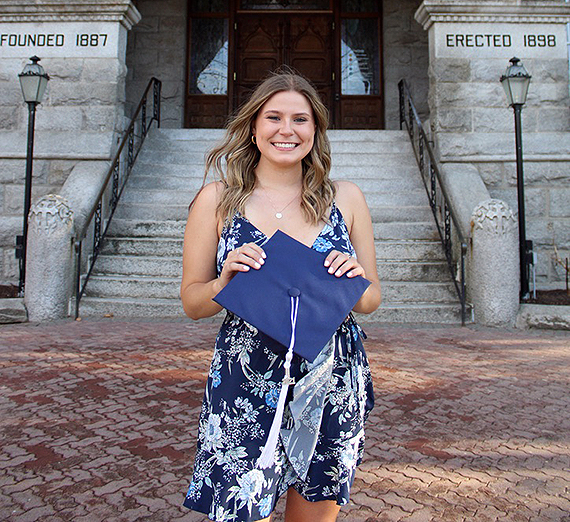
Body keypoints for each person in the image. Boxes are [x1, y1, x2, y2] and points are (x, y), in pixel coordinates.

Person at [181, 70, 381, 522]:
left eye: (300, 119)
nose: (286, 130)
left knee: (313, 511)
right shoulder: (217, 200)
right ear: (253, 126)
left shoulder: (345, 198)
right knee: (239, 510)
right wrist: (222, 284)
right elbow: (192, 302)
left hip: (331, 374)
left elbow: (371, 300)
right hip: (246, 376)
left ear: (316, 129)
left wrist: (356, 280)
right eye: (273, 117)